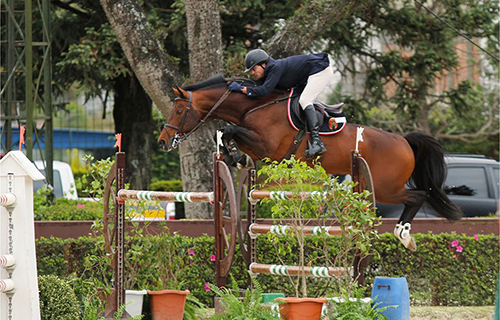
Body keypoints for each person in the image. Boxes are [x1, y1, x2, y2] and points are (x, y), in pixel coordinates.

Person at [228, 49, 334, 157]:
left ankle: (317, 142)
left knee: (305, 100)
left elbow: (263, 91)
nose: (252, 73)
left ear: (263, 64)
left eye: (254, 69)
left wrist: (241, 89)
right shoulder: (270, 70)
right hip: (307, 76)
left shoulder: (275, 67)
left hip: (320, 70)